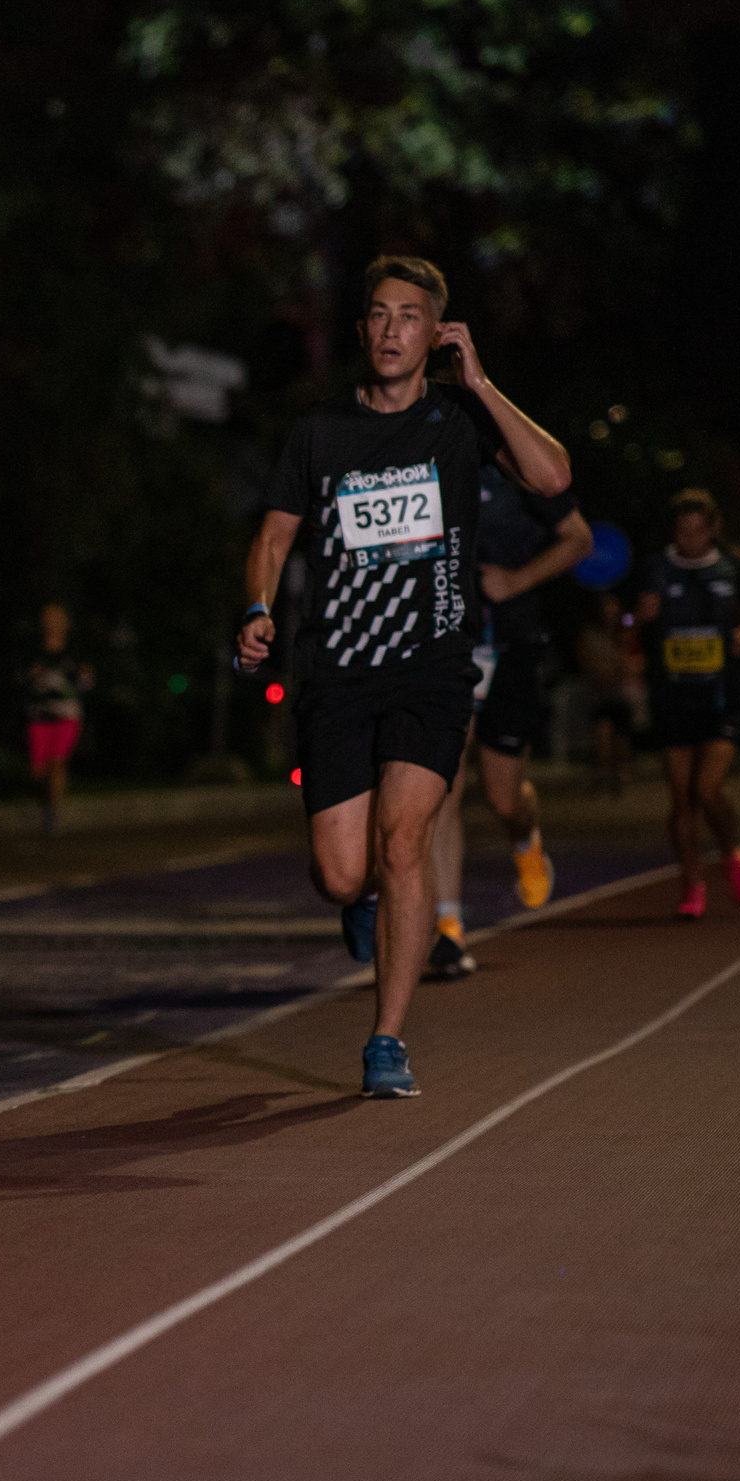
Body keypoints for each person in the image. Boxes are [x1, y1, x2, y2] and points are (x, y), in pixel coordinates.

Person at [237, 254, 571, 1097]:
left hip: (432, 669)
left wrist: (483, 381)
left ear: (435, 332)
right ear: (363, 331)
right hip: (337, 671)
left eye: (410, 316)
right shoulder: (319, 432)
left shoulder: (460, 419)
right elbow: (275, 536)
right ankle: (360, 903)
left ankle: (386, 1039)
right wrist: (257, 609)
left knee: (404, 841)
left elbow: (553, 477)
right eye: (380, 315)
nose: (392, 329)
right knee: (344, 872)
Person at [424, 463, 593, 978]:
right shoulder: (424, 458)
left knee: (503, 799)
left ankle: (527, 838)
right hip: (445, 642)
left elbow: (579, 539)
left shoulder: (514, 465)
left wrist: (516, 580)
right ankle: (448, 930)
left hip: (511, 640)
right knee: (442, 788)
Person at [636, 488, 740, 917]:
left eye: (698, 530)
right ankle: (692, 885)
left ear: (712, 529)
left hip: (720, 694)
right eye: (682, 529)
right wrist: (639, 618)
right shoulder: (654, 569)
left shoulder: (735, 568)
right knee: (681, 797)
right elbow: (631, 623)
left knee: (707, 789)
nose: (690, 537)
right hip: (671, 695)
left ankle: (731, 853)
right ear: (674, 530)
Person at [24, 603, 94, 832]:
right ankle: (47, 803)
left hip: (67, 716)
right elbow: (21, 680)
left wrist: (85, 676)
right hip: (39, 716)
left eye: (56, 617)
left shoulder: (74, 651)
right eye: (47, 617)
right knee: (38, 771)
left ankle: (53, 813)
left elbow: (87, 684)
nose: (51, 621)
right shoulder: (34, 650)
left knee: (57, 762)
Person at [576, 591, 644, 796]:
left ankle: (619, 774)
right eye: (606, 608)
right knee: (602, 735)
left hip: (622, 694)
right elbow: (584, 661)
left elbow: (638, 663)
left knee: (621, 738)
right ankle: (601, 774)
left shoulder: (626, 634)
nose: (610, 613)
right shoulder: (590, 634)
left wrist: (624, 656)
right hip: (599, 694)